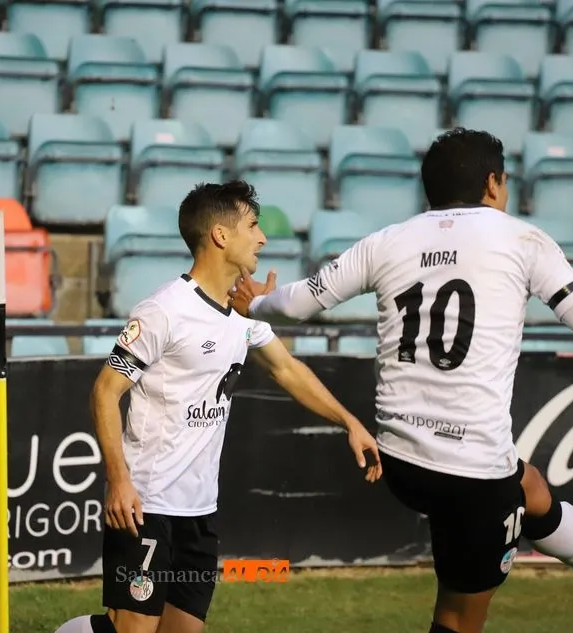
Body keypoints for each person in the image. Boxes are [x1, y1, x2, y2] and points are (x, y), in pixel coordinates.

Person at [228, 128, 573, 633]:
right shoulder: (522, 240)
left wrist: (258, 303)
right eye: (504, 181)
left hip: (400, 460)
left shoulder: (388, 240)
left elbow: (300, 302)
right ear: (492, 183)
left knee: (526, 483)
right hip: (471, 473)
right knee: (459, 621)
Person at [52, 181, 382, 633]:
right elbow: (105, 391)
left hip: (199, 511)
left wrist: (350, 422)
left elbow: (288, 370)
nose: (262, 238)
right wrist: (118, 481)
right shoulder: (163, 310)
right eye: (252, 226)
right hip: (147, 504)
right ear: (221, 236)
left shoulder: (242, 319)